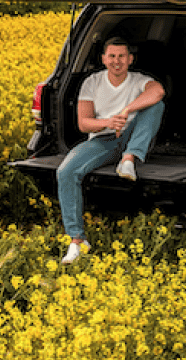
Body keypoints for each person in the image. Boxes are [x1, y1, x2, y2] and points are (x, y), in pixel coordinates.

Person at [56, 37, 165, 264]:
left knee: (156, 105)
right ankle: (77, 241)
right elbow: (84, 123)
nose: (117, 61)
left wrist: (126, 110)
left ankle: (129, 158)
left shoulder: (139, 80)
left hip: (135, 136)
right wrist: (107, 122)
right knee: (65, 171)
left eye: (122, 56)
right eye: (112, 56)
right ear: (104, 59)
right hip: (104, 139)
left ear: (130, 59)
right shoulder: (92, 82)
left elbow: (158, 92)